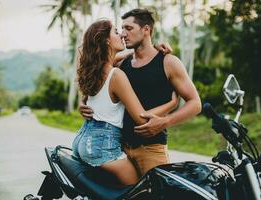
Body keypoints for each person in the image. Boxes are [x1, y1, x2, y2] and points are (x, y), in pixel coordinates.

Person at [79, 8, 202, 177]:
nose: (123, 33)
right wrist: (83, 102)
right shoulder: (122, 63)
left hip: (151, 149)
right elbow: (96, 74)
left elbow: (195, 103)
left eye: (128, 28)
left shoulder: (168, 62)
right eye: (121, 29)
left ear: (146, 30)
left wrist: (165, 121)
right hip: (119, 148)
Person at [72, 19, 179, 186]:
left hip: (82, 140)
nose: (121, 34)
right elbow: (142, 119)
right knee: (138, 193)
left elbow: (119, 59)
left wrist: (150, 50)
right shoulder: (116, 75)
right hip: (102, 144)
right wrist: (172, 104)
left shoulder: (95, 70)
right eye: (116, 31)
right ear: (106, 40)